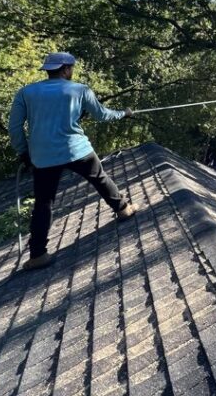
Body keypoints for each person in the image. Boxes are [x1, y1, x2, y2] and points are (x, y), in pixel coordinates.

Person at [8, 52, 136, 270]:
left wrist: (24, 153)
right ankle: (123, 209)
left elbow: (14, 128)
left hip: (43, 156)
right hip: (77, 150)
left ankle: (38, 254)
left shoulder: (26, 93)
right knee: (99, 178)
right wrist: (124, 113)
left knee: (43, 203)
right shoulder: (80, 90)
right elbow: (103, 115)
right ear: (66, 69)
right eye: (71, 68)